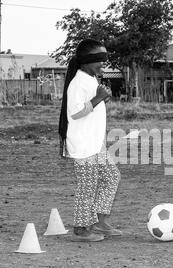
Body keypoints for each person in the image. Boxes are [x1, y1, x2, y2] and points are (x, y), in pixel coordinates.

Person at [58, 39, 122, 242]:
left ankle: (99, 222)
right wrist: (97, 99)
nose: (104, 64)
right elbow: (75, 112)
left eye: (105, 59)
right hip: (84, 146)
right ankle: (81, 228)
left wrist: (102, 98)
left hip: (96, 144)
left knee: (112, 177)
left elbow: (90, 109)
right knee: (88, 185)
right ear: (86, 61)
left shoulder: (90, 78)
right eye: (100, 60)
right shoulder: (77, 82)